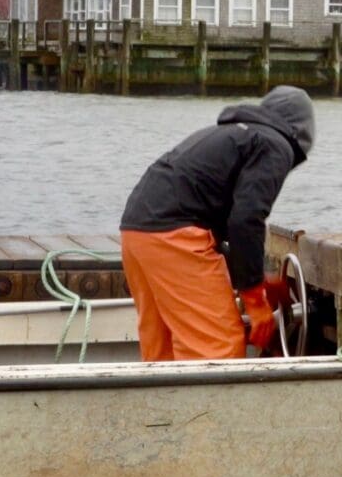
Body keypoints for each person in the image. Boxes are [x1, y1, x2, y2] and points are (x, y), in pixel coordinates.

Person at [118, 86, 314, 361]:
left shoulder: (229, 134)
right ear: (302, 136)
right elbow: (246, 221)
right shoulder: (275, 143)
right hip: (175, 235)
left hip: (136, 231)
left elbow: (221, 220)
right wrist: (256, 302)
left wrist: (256, 281)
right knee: (216, 347)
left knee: (162, 349)